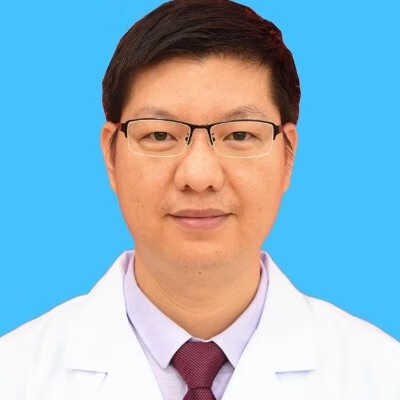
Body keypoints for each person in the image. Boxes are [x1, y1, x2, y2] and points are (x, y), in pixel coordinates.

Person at [1, 0, 399, 399]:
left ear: (288, 154)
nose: (199, 176)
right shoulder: (14, 374)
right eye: (160, 135)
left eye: (239, 135)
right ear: (111, 153)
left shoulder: (381, 375)